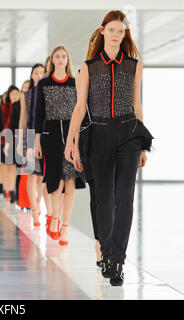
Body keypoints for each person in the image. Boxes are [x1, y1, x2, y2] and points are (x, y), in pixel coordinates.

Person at [64, 10, 153, 286]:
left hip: (129, 134)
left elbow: (137, 104)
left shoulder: (134, 65)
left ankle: (117, 259)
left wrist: (142, 146)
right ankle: (103, 248)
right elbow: (80, 108)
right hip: (99, 135)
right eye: (112, 29)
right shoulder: (89, 67)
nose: (117, 34)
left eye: (121, 30)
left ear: (125, 34)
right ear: (102, 31)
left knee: (124, 196)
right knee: (103, 198)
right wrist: (71, 141)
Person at [34, 45, 86, 246]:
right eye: (57, 56)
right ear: (52, 60)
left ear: (67, 59)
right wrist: (36, 140)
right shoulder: (44, 83)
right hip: (50, 134)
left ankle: (65, 227)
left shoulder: (75, 83)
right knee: (55, 179)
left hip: (72, 134)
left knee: (70, 180)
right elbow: (38, 114)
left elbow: (81, 110)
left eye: (64, 56)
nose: (61, 59)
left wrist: (80, 138)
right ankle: (54, 215)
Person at [75, 28, 103, 266]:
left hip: (112, 136)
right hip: (89, 138)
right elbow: (79, 110)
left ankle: (110, 242)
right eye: (95, 40)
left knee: (115, 194)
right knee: (97, 194)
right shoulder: (83, 72)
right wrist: (74, 143)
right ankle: (99, 242)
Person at [18, 64, 45, 226]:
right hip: (29, 133)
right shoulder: (26, 94)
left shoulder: (46, 91)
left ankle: (37, 201)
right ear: (31, 75)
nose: (39, 75)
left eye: (42, 72)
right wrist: (20, 139)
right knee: (31, 173)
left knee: (41, 174)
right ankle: (34, 210)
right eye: (36, 72)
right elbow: (23, 117)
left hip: (43, 134)